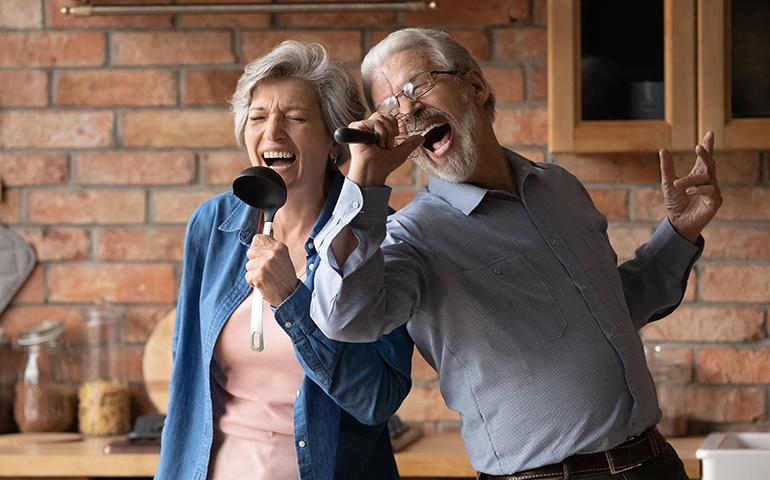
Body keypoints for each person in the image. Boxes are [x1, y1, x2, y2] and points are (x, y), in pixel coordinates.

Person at [309, 28, 723, 480]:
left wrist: (679, 232)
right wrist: (365, 180)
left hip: (654, 464)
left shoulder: (559, 187)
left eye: (417, 85)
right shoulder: (411, 236)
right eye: (389, 104)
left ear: (475, 84)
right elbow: (343, 317)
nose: (406, 109)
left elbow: (616, 309)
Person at [156, 40, 413, 480]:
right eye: (258, 118)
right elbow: (186, 380)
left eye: (295, 118)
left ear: (335, 145)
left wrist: (291, 301)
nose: (272, 133)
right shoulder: (212, 224)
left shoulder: (378, 234)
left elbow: (376, 400)